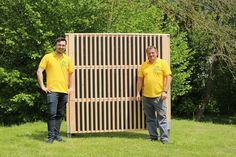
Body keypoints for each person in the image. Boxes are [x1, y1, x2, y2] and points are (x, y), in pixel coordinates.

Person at [37, 37, 74, 143]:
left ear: (65, 46)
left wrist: (71, 87)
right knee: (52, 114)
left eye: (63, 45)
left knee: (60, 114)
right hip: (52, 91)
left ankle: (57, 135)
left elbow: (71, 74)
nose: (61, 47)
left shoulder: (67, 59)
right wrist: (43, 86)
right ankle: (51, 137)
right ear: (55, 45)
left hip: (64, 91)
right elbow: (39, 71)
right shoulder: (48, 57)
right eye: (59, 45)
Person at [136, 46, 172, 144]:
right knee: (150, 119)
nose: (151, 55)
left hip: (159, 96)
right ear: (147, 54)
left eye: (153, 53)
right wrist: (138, 93)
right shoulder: (144, 65)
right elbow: (140, 80)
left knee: (162, 118)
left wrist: (165, 91)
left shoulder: (162, 63)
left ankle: (164, 138)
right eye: (149, 53)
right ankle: (153, 137)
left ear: (156, 53)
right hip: (146, 96)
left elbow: (168, 77)